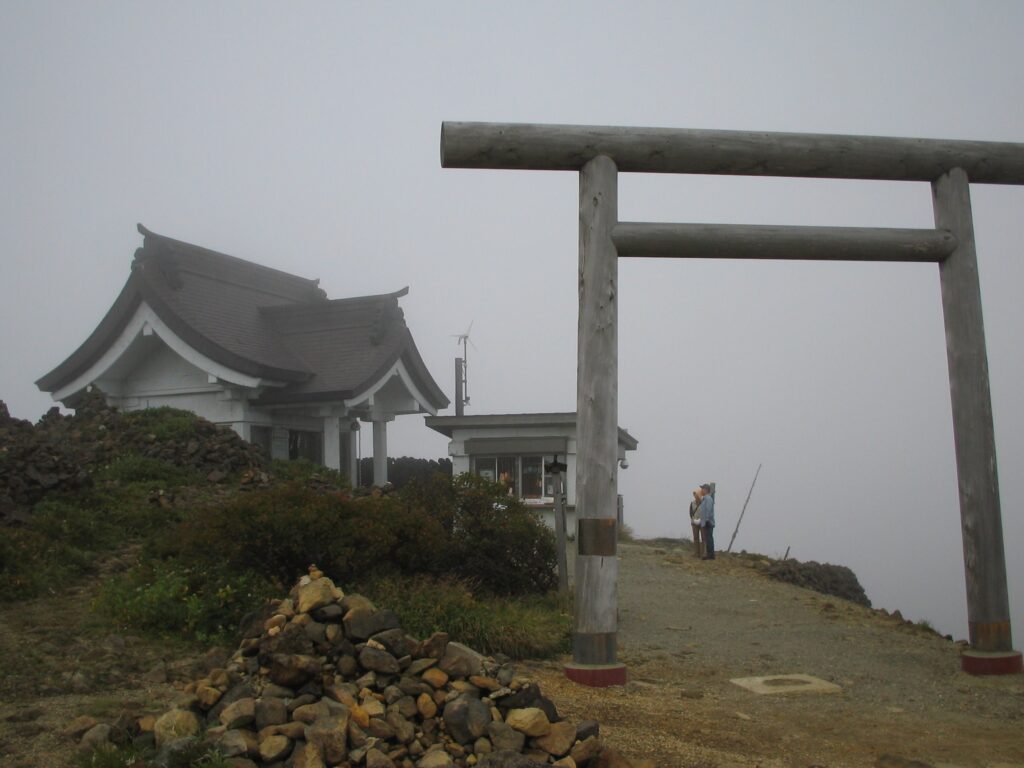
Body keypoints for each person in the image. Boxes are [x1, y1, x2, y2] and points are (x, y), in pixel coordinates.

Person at [698, 483, 716, 560]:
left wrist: (707, 520)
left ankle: (711, 554)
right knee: (708, 538)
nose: (701, 490)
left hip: (708, 522)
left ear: (706, 490)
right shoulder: (705, 499)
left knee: (709, 538)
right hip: (705, 522)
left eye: (702, 489)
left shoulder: (708, 499)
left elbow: (708, 510)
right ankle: (709, 553)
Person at [688, 488, 705, 558]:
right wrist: (693, 520)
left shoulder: (704, 503)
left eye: (697, 495)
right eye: (695, 495)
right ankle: (696, 553)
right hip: (694, 523)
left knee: (703, 538)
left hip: (702, 522)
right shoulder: (692, 503)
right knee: (696, 538)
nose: (695, 496)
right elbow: (691, 512)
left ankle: (703, 553)